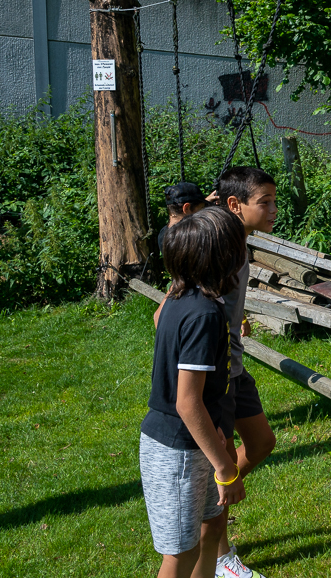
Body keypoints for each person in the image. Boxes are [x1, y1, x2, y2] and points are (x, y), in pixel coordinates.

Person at [140, 206, 248, 578]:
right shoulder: (205, 315)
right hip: (178, 450)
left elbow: (159, 322)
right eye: (238, 245)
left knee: (214, 525)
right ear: (225, 257)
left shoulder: (178, 297)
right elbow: (187, 402)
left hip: (197, 440)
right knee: (181, 554)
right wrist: (225, 468)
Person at [212, 166, 279, 578]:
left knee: (261, 443)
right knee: (218, 473)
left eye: (274, 200)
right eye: (264, 202)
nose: (273, 209)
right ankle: (220, 558)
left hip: (235, 367)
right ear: (235, 206)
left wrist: (233, 324)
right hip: (216, 376)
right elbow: (167, 312)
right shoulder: (219, 249)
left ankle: (216, 488)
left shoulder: (240, 243)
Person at [159, 182, 210, 253]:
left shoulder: (163, 234)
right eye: (201, 208)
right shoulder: (192, 238)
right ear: (186, 208)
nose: (203, 213)